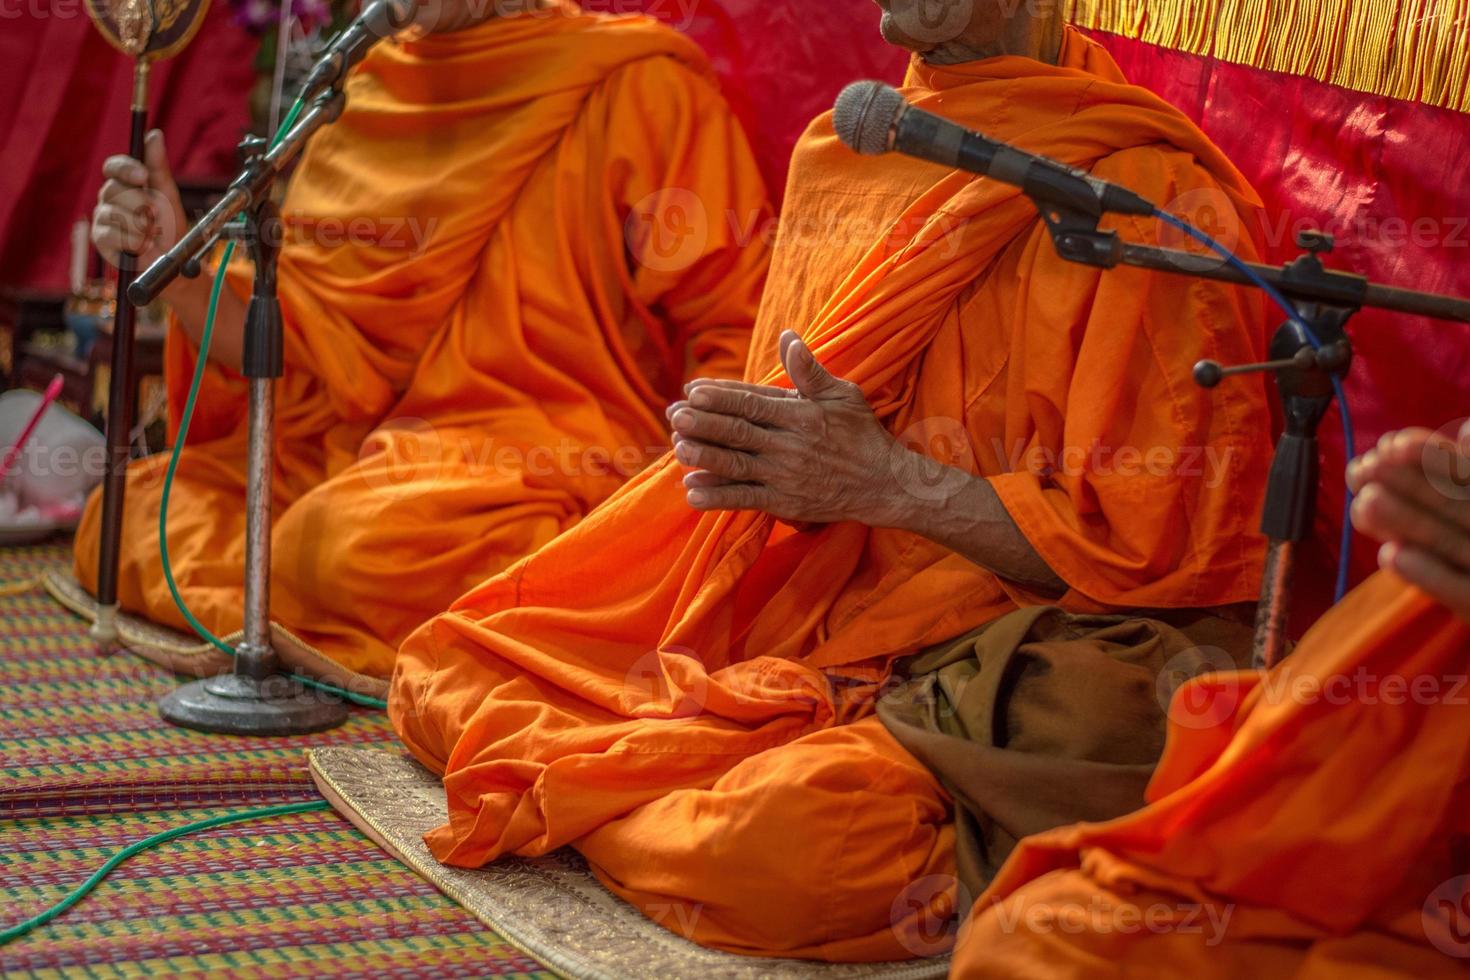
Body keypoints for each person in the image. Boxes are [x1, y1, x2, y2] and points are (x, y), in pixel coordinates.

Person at [390, 0, 1275, 960]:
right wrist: (769, 470)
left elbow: (1156, 555)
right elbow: (802, 464)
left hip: (1023, 643)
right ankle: (685, 791)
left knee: (783, 846)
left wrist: (888, 486)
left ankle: (734, 801)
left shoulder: (1144, 199)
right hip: (825, 615)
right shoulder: (847, 154)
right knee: (450, 664)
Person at [78, 0, 772, 677]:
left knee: (331, 551)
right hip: (360, 459)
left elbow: (741, 325)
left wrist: (674, 517)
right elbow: (302, 350)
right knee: (134, 511)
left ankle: (601, 582)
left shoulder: (637, 84)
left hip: (548, 462)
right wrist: (178, 269)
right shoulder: (363, 91)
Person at [950, 420, 1470, 978]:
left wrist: (895, 480)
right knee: (1035, 945)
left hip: (1421, 889)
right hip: (933, 659)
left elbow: (1145, 556)